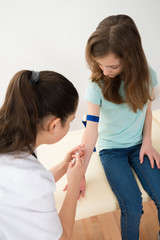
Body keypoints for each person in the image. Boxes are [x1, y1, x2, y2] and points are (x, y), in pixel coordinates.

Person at [81, 14, 160, 240]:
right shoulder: (96, 85)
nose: (105, 71)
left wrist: (147, 142)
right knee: (133, 207)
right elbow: (91, 130)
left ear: (131, 58)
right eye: (100, 65)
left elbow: (146, 109)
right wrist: (81, 172)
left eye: (112, 66)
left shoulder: (147, 76)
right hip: (111, 150)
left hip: (138, 145)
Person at [0, 70, 85, 240]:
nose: (70, 126)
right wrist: (74, 184)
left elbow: (24, 191)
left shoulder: (14, 139)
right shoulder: (28, 178)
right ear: (53, 125)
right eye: (70, 121)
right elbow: (63, 236)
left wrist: (64, 165)